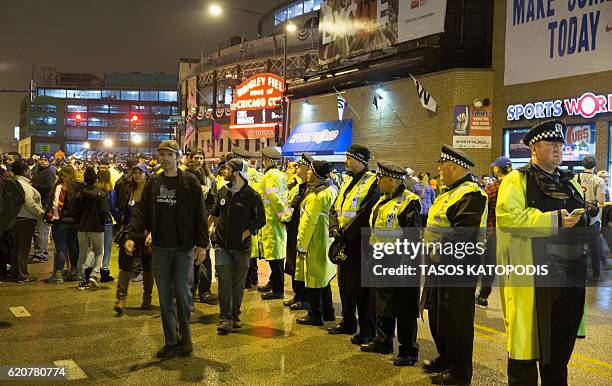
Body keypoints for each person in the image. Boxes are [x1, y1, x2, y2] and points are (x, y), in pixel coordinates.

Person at [496, 120, 587, 386]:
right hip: (534, 276)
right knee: (525, 347)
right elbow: (508, 218)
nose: (558, 149)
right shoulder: (517, 180)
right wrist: (553, 220)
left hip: (568, 278)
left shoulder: (571, 182)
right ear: (534, 148)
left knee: (559, 350)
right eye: (551, 144)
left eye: (560, 145)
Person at [124, 140, 209, 358]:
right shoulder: (153, 182)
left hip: (183, 248)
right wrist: (133, 236)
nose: (163, 158)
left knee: (182, 294)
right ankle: (171, 341)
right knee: (164, 298)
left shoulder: (189, 181)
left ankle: (186, 340)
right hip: (160, 248)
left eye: (168, 154)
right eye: (160, 154)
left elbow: (199, 215)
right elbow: (142, 212)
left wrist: (202, 245)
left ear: (177, 157)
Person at [421, 145, 488, 385]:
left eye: (442, 165)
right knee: (439, 314)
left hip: (458, 267)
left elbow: (463, 234)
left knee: (457, 318)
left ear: (455, 167)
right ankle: (445, 357)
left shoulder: (471, 194)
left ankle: (460, 372)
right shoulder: (448, 192)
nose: (438, 169)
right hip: (437, 265)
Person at [362, 160, 421, 366]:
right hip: (381, 260)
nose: (378, 181)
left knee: (404, 308)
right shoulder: (382, 200)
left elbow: (412, 237)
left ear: (391, 179)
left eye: (380, 178)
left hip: (400, 262)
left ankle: (408, 351)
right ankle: (383, 341)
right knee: (382, 303)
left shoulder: (409, 201)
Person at [328, 143, 380, 345]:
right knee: (343, 284)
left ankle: (366, 330)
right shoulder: (346, 180)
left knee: (360, 288)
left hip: (359, 243)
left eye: (349, 158)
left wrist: (344, 235)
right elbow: (335, 208)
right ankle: (348, 322)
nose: (346, 161)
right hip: (343, 241)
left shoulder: (372, 183)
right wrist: (334, 228)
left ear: (360, 160)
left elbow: (364, 214)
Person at [208, 158, 265, 334]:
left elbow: (260, 220)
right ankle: (226, 317)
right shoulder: (223, 191)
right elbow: (215, 212)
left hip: (242, 247)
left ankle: (235, 315)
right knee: (224, 281)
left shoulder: (252, 195)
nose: (223, 171)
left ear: (237, 173)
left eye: (227, 169)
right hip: (222, 245)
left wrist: (244, 234)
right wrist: (205, 228)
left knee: (238, 284)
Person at [294, 160, 338, 326]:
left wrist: (301, 245)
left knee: (313, 278)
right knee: (324, 278)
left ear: (317, 174)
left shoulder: (316, 196)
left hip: (315, 241)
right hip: (327, 240)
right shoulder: (332, 190)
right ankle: (328, 311)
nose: (307, 173)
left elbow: (307, 223)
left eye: (311, 171)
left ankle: (315, 314)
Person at [114, 163, 154, 314]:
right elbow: (121, 209)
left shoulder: (151, 192)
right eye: (135, 172)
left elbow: (154, 214)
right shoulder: (128, 190)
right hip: (129, 232)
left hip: (146, 233)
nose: (137, 175)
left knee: (148, 266)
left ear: (146, 174)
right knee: (125, 265)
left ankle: (147, 297)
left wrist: (152, 232)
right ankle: (120, 299)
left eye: (140, 172)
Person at [475, 156, 512, 308]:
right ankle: (513, 299)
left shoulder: (492, 188)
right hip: (513, 233)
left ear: (497, 169)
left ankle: (483, 296)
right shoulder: (516, 188)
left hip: (494, 233)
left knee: (490, 266)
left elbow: (482, 210)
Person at [280, 153, 313, 311]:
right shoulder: (297, 186)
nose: (297, 168)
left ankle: (304, 298)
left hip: (302, 231)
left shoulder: (310, 188)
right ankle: (297, 294)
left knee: (301, 265)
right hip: (292, 229)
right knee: (293, 263)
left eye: (300, 166)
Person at [185, 148, 218, 305]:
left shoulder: (209, 177)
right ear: (190, 159)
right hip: (188, 222)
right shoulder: (185, 176)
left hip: (203, 220)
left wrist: (210, 220)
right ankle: (188, 292)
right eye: (196, 157)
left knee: (204, 255)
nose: (198, 160)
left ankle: (205, 291)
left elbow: (214, 201)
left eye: (201, 158)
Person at [258, 147, 288, 300]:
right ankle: (273, 282)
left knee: (275, 257)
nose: (262, 163)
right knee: (277, 254)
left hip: (271, 219)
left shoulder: (269, 176)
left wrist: (282, 215)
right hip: (277, 220)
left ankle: (278, 290)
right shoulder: (281, 175)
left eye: (263, 160)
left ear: (268, 160)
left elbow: (274, 198)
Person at [74, 167, 111, 290]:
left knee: (82, 253)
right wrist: (104, 220)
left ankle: (81, 279)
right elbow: (105, 212)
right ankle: (95, 274)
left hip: (82, 227)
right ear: (95, 180)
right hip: (96, 226)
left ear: (85, 179)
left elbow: (74, 211)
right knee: (99, 251)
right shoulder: (101, 194)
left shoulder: (79, 194)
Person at [232, 148, 263, 289]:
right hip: (255, 216)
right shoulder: (257, 174)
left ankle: (246, 280)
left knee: (244, 251)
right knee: (253, 250)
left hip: (242, 216)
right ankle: (254, 278)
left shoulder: (241, 174)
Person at [46, 165, 80, 283]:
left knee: (60, 247)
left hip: (61, 222)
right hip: (74, 222)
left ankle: (58, 274)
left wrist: (54, 217)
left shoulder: (60, 186)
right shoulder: (77, 186)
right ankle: (74, 272)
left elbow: (56, 204)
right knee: (73, 246)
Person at [11, 161, 43, 282]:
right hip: (25, 219)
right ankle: (22, 275)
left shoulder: (14, 182)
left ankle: (16, 273)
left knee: (17, 248)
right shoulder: (24, 185)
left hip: (16, 219)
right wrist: (41, 213)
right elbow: (29, 203)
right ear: (25, 172)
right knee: (23, 249)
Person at [577, 155, 605, 281]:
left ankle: (579, 272)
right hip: (593, 219)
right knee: (594, 247)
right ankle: (596, 273)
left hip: (579, 216)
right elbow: (601, 202)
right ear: (595, 165)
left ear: (583, 164)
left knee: (579, 246)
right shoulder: (598, 180)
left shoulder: (575, 178)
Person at [31, 154, 56, 263]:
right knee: (44, 230)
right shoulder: (38, 169)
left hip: (44, 203)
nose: (42, 161)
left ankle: (40, 254)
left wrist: (34, 186)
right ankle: (43, 253)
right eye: (41, 159)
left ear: (49, 161)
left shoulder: (50, 171)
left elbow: (49, 186)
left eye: (45, 160)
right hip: (40, 202)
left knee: (40, 230)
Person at [96, 168, 117, 282]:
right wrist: (118, 218)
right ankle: (104, 269)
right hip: (108, 222)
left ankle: (92, 269)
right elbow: (113, 207)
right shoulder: (110, 191)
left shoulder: (94, 190)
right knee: (107, 248)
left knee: (96, 249)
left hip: (95, 223)